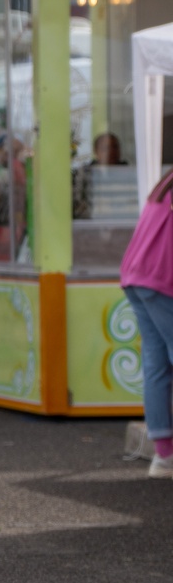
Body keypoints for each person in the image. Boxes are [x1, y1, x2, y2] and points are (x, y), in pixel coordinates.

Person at [121, 170, 173, 478]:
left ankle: (164, 456)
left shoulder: (167, 181)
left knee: (156, 365)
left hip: (137, 275)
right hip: (159, 277)